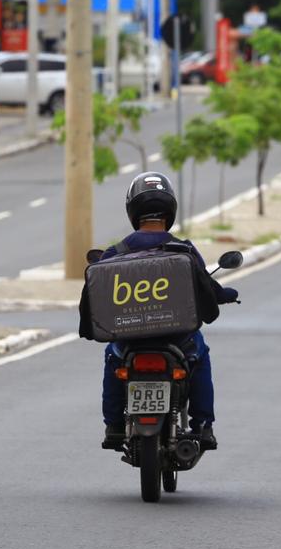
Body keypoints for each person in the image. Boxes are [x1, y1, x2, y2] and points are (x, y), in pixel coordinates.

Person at [99, 172, 238, 451]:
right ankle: (203, 425)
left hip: (130, 343)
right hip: (178, 341)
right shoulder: (184, 250)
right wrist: (226, 295)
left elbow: (98, 296)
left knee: (112, 357)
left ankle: (114, 425)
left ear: (133, 211)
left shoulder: (114, 254)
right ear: (170, 210)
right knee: (201, 356)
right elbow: (207, 287)